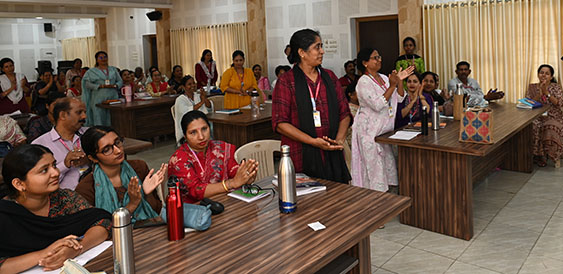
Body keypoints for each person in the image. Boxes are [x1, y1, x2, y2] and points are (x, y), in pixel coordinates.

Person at [0, 144, 110, 273]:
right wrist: (46, 253)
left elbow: (103, 222)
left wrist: (76, 249)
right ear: (19, 184)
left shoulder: (65, 198)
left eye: (54, 165)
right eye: (44, 170)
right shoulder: (5, 214)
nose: (56, 173)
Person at [272, 29, 351, 182]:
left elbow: (345, 113)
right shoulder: (286, 81)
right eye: (317, 47)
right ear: (302, 52)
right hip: (302, 154)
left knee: (337, 195)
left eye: (321, 46)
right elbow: (280, 123)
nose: (322, 51)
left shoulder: (329, 77)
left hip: (332, 154)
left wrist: (339, 140)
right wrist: (312, 141)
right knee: (310, 197)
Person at [351, 48, 413, 191]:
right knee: (374, 171)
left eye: (379, 57)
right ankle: (374, 200)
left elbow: (400, 97)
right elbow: (378, 104)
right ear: (365, 63)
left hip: (383, 132)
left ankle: (386, 198)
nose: (379, 60)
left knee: (387, 168)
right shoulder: (363, 82)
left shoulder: (384, 78)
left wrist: (399, 81)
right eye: (375, 58)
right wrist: (392, 85)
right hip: (369, 132)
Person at [77, 127, 166, 222]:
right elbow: (99, 226)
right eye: (107, 149)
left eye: (117, 142)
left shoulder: (139, 167)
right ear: (93, 158)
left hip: (150, 227)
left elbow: (156, 211)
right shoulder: (86, 189)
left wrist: (146, 193)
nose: (118, 151)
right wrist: (132, 204)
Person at [168, 110, 258, 204]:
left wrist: (246, 177)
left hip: (223, 203)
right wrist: (231, 183)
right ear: (185, 136)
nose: (201, 137)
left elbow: (234, 171)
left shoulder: (220, 148)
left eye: (204, 129)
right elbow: (196, 190)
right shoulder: (179, 160)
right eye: (193, 132)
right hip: (194, 209)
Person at [32, 97, 89, 190]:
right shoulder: (40, 145)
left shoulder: (89, 134)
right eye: (79, 112)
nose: (84, 116)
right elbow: (38, 182)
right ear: (62, 115)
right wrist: (65, 165)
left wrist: (90, 159)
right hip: (63, 196)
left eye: (85, 112)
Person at [524, 64, 563, 168]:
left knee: (550, 127)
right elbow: (528, 103)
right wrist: (539, 94)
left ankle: (548, 156)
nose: (544, 75)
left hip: (553, 116)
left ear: (551, 77)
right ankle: (537, 156)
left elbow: (559, 103)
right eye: (541, 73)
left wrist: (546, 93)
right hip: (536, 116)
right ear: (538, 74)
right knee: (532, 126)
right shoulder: (532, 87)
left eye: (547, 73)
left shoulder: (556, 87)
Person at [82, 51, 122, 127]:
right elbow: (87, 84)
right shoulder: (91, 71)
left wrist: (115, 85)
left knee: (113, 118)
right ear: (97, 60)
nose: (103, 59)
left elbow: (120, 81)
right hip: (98, 98)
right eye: (101, 57)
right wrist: (100, 86)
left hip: (113, 97)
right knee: (99, 118)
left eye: (105, 57)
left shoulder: (113, 69)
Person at [173, 75, 212, 144]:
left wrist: (204, 97)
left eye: (194, 83)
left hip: (200, 124)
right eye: (189, 84)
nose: (193, 86)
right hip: (188, 127)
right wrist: (202, 102)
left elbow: (209, 107)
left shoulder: (198, 95)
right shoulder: (180, 99)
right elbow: (188, 112)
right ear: (183, 87)